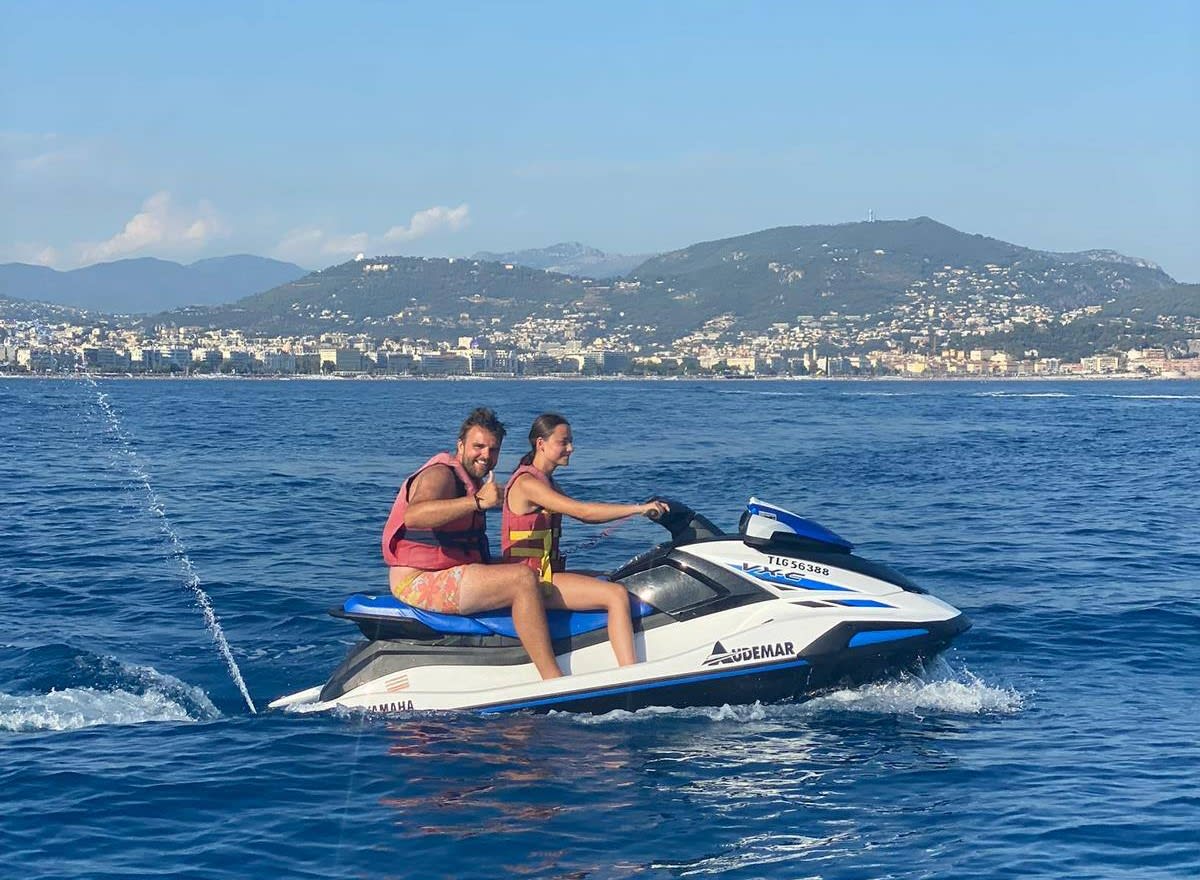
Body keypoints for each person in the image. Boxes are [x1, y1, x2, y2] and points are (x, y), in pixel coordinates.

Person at [381, 407, 562, 680]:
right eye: (478, 447)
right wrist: (477, 502)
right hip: (417, 580)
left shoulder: (474, 482)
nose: (486, 455)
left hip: (450, 571)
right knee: (522, 578)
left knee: (531, 569)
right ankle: (552, 679)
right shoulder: (440, 475)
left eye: (493, 449)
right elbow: (415, 515)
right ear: (460, 446)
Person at [502, 413, 668, 667]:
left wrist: (639, 509)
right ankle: (628, 671)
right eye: (564, 442)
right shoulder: (527, 484)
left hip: (546, 574)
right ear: (541, 444)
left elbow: (586, 516)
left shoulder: (546, 482)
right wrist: (638, 509)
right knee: (615, 595)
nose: (571, 448)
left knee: (613, 576)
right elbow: (583, 512)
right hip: (533, 583)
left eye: (571, 441)